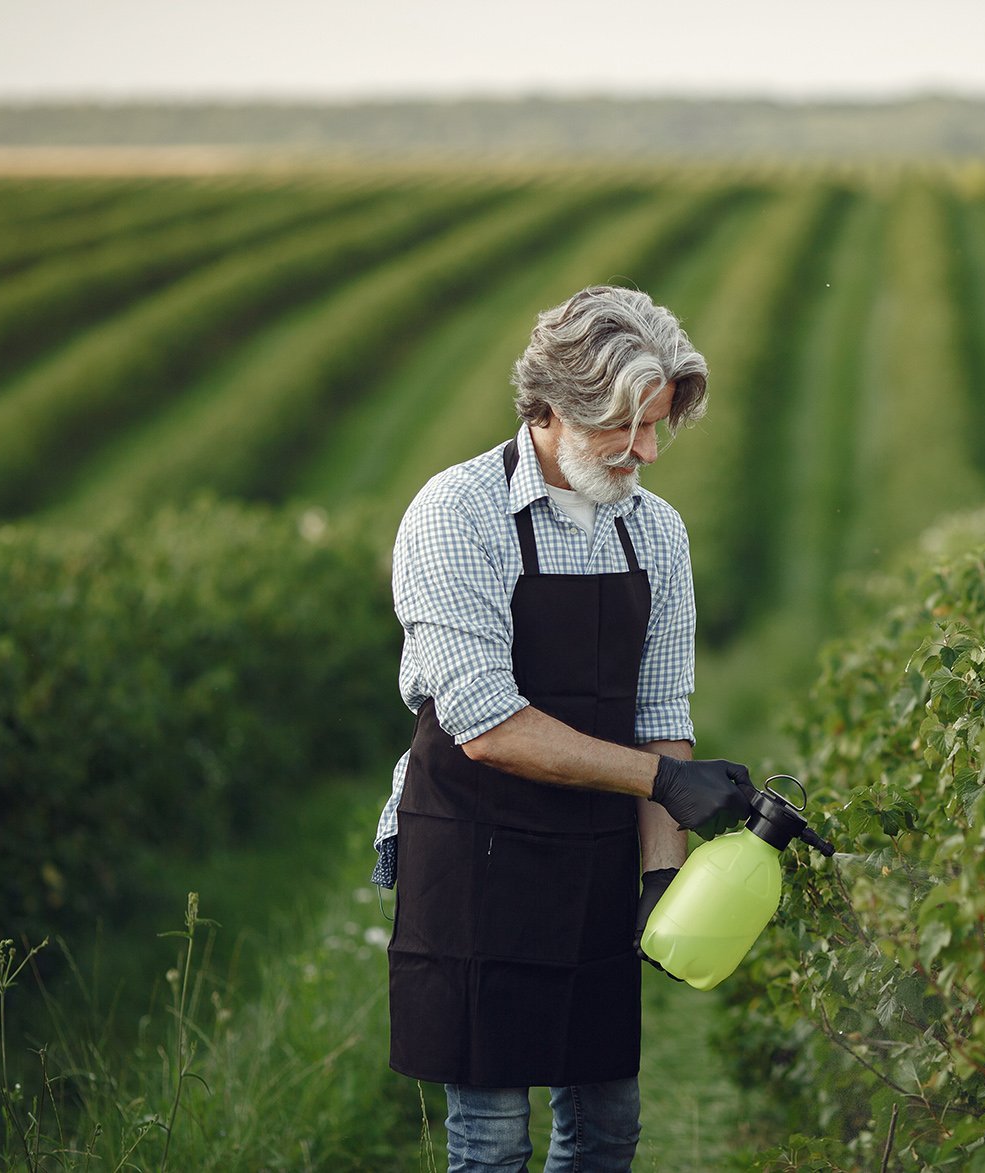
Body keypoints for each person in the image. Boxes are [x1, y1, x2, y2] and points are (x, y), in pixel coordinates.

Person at [369, 284, 755, 1172]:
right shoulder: (455, 514)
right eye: (628, 428)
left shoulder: (656, 534)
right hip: (475, 852)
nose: (648, 452)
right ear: (552, 410)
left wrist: (662, 873)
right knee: (494, 1138)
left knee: (608, 1126)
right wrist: (662, 785)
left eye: (656, 427)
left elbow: (661, 716)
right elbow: (488, 726)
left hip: (595, 855)